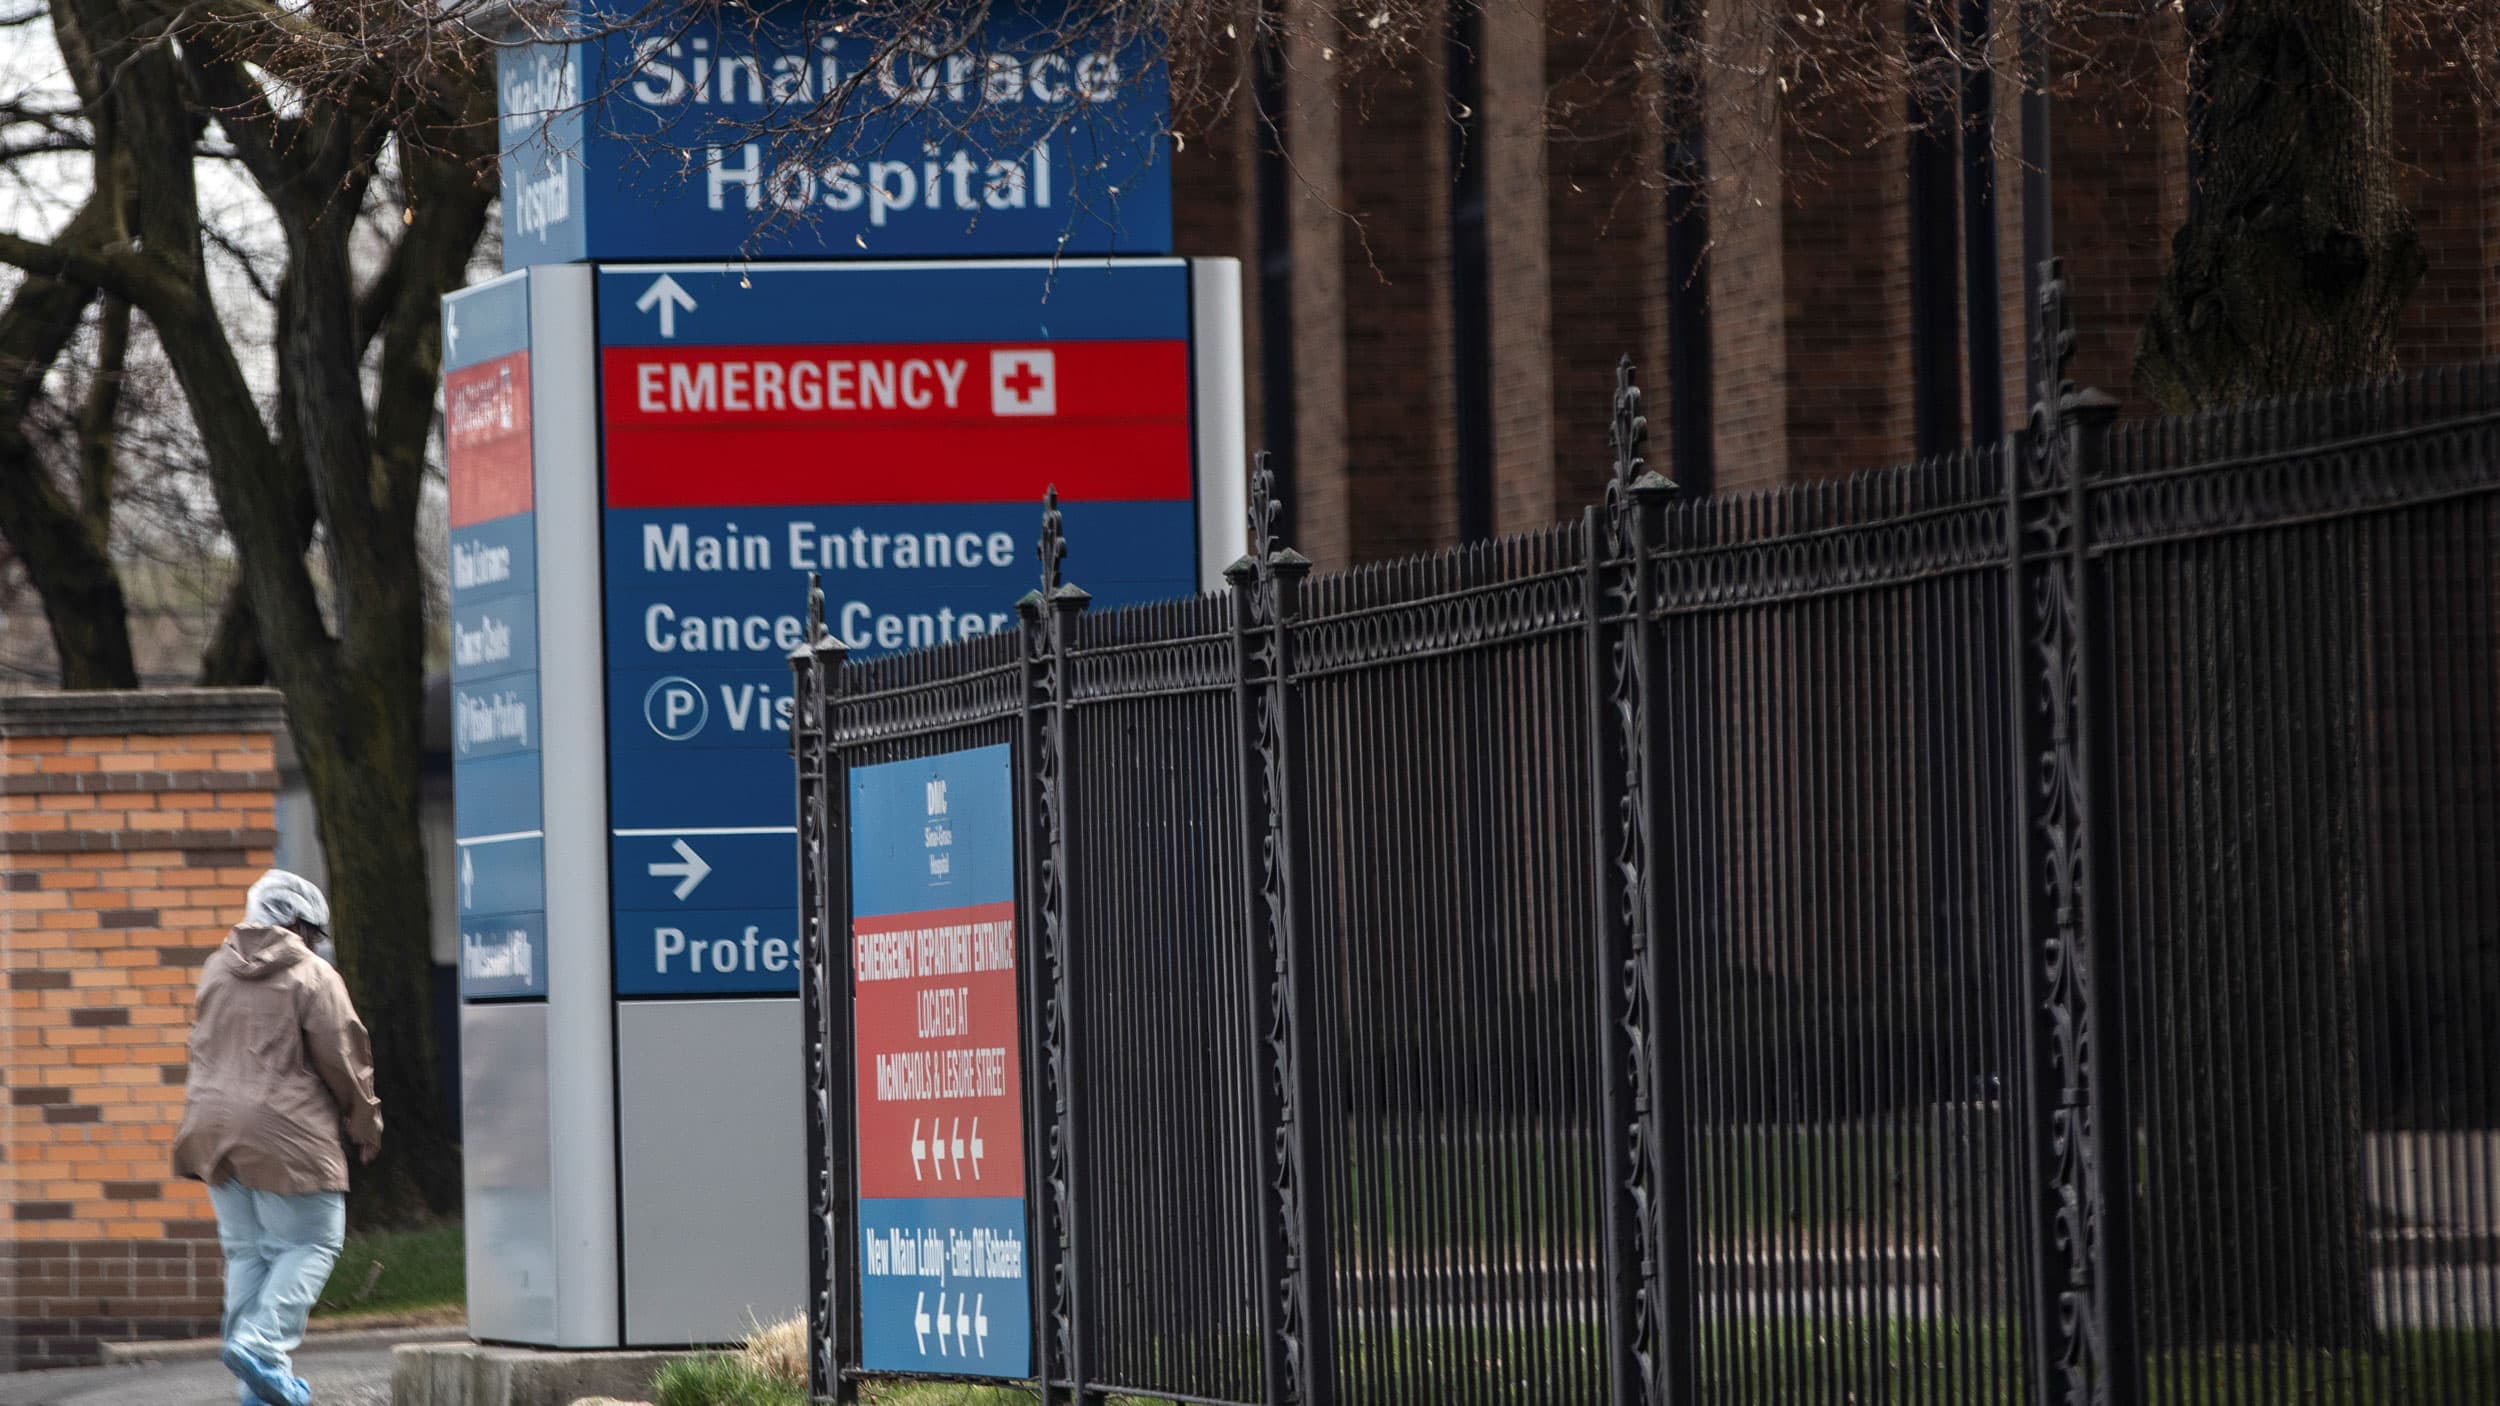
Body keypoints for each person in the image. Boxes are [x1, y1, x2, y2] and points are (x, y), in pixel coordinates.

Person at [173, 870, 383, 1406]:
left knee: (248, 1254)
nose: (315, 942)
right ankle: (263, 1347)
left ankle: (257, 1388)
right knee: (314, 1240)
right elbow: (345, 1058)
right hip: (285, 1132)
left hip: (211, 1129)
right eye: (313, 931)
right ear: (296, 923)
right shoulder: (314, 976)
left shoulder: (215, 969)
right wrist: (365, 1123)